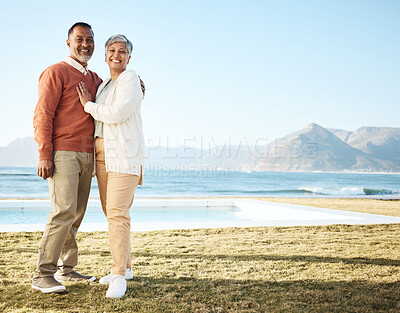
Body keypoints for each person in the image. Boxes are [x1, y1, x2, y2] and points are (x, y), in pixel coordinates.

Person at [32, 22, 103, 294]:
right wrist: (44, 154)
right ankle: (42, 274)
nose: (85, 44)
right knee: (62, 212)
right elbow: (43, 115)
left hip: (88, 155)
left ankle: (67, 269)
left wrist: (136, 86)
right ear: (68, 42)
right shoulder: (55, 72)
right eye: (79, 39)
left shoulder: (96, 79)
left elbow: (111, 98)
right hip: (63, 153)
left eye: (89, 39)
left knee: (76, 215)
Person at [77, 34, 145, 298]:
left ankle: (118, 275)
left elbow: (118, 113)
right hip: (102, 155)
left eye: (122, 51)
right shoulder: (106, 83)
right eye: (112, 51)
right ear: (105, 56)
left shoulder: (130, 78)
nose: (117, 55)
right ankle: (125, 267)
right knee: (114, 214)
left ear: (129, 57)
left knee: (117, 214)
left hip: (123, 156)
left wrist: (88, 106)